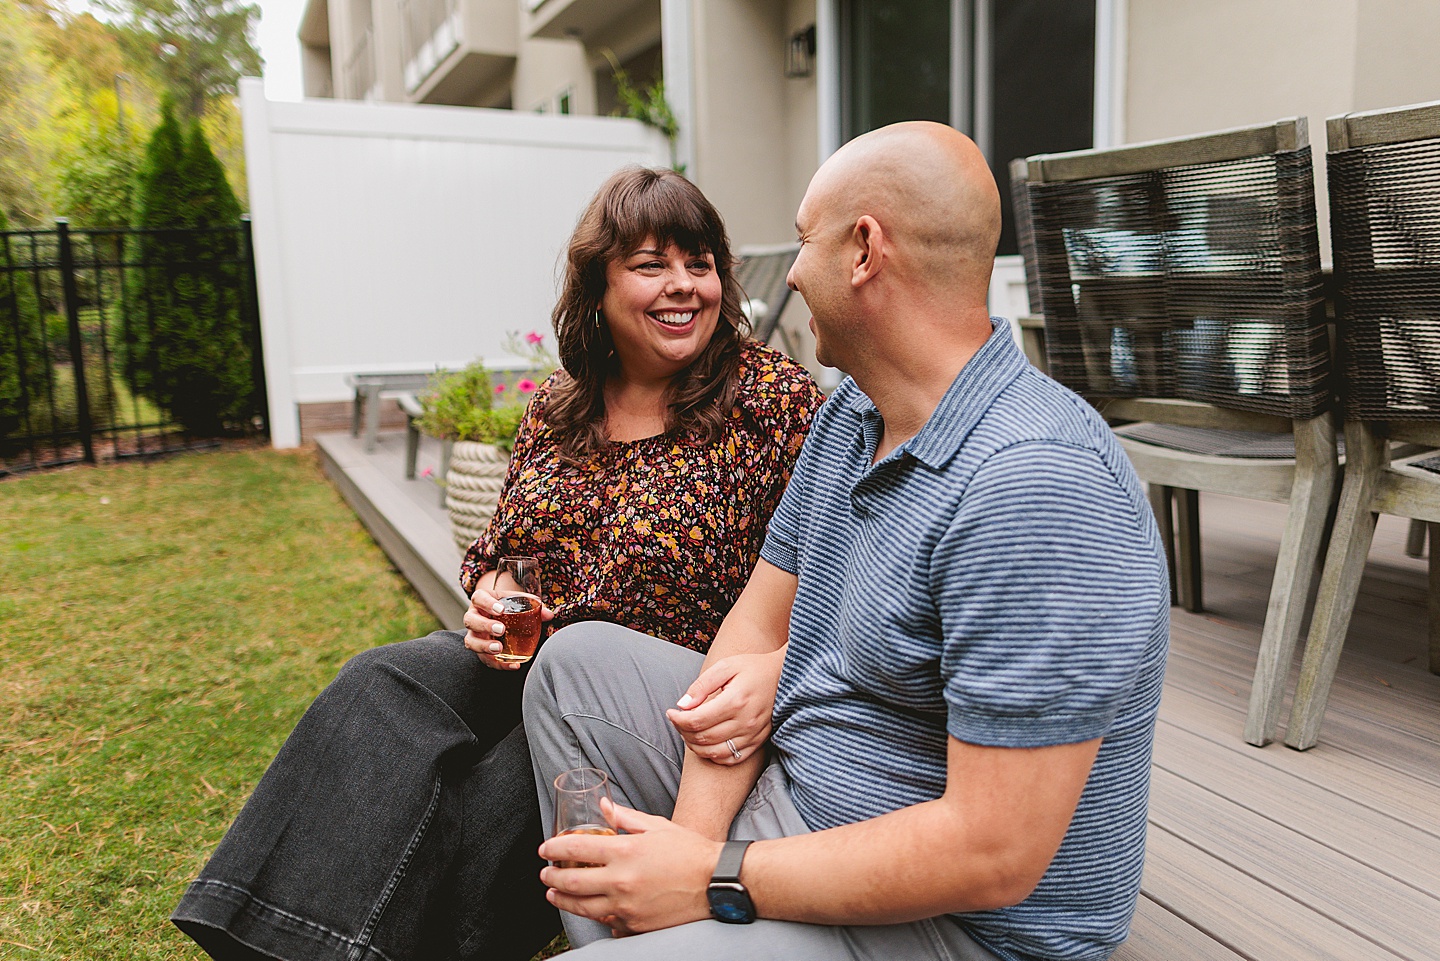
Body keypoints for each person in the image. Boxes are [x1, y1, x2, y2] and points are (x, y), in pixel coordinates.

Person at [522, 121, 1171, 961]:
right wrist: (690, 864)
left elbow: (993, 853)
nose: (789, 271)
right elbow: (753, 631)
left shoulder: (1035, 486)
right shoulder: (852, 414)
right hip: (797, 801)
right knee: (574, 669)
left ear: (864, 250)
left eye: (802, 240)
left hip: (953, 923)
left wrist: (712, 873)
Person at [171, 166, 824, 961]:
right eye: (652, 264)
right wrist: (489, 594)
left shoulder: (770, 401)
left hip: (649, 686)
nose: (684, 286)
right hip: (530, 649)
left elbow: (821, 571)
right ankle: (269, 934)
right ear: (599, 285)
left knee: (499, 787)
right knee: (381, 685)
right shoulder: (561, 406)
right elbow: (502, 551)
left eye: (700, 262)